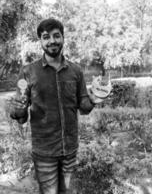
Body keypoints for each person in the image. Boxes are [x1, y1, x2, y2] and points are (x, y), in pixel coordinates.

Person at [9, 18, 101, 194]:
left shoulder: (76, 71)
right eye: (46, 37)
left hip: (70, 149)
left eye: (56, 36)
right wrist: (18, 108)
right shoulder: (28, 72)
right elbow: (20, 117)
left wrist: (94, 99)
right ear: (41, 41)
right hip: (44, 151)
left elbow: (83, 108)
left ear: (63, 38)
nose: (52, 41)